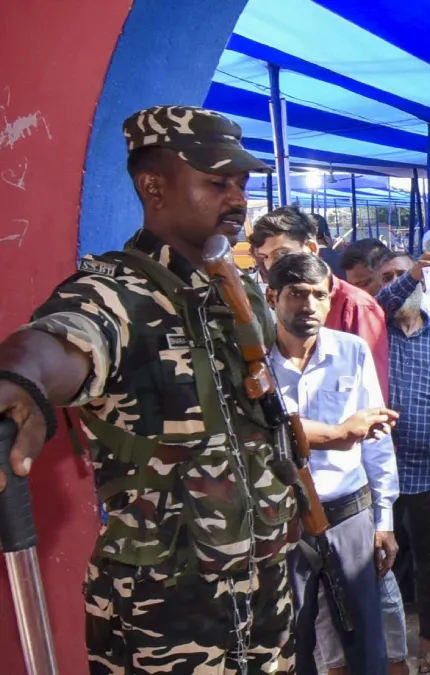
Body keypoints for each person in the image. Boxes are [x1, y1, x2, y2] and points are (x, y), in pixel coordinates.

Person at [0, 106, 296, 670]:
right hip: (167, 604)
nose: (238, 198)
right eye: (217, 182)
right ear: (153, 187)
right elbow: (65, 337)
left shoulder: (237, 292)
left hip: (263, 582)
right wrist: (22, 377)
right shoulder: (118, 291)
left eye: (242, 183)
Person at [267, 252, 401, 675]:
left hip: (349, 515)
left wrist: (384, 521)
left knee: (365, 638)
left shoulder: (351, 351)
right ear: (272, 296)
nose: (309, 306)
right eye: (296, 294)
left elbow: (377, 440)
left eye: (319, 296)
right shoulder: (252, 363)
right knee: (292, 638)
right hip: (283, 519)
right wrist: (341, 433)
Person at [384, 273, 430, 675]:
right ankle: (392, 647)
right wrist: (409, 272)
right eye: (392, 279)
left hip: (427, 472)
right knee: (384, 560)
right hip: (380, 472)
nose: (403, 288)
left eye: (411, 280)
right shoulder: (375, 332)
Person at [249, 208, 390, 396]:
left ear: (312, 248)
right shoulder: (266, 301)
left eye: (281, 254)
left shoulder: (356, 305)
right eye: (265, 257)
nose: (271, 265)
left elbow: (373, 392)